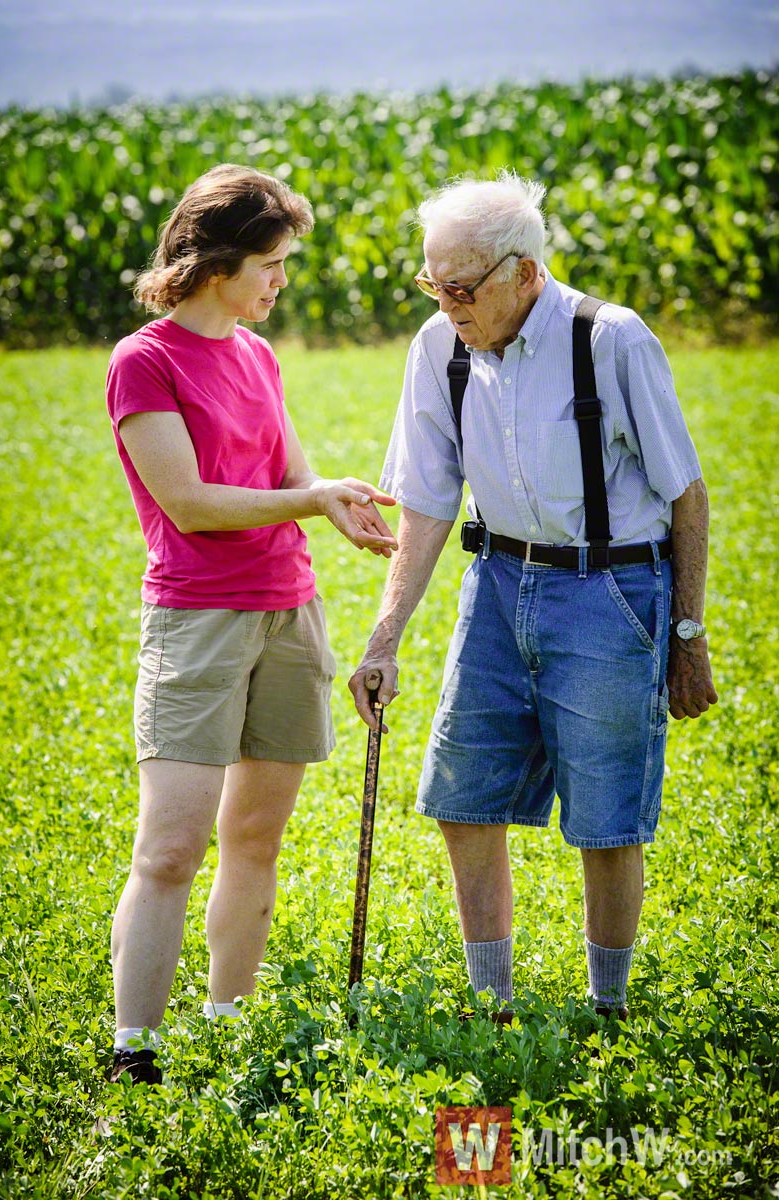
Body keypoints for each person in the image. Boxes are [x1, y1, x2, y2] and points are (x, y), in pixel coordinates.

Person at [349, 170, 717, 1022]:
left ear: (526, 273)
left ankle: (608, 1012)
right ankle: (494, 1005)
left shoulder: (611, 339)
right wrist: (384, 637)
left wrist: (688, 632)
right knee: (461, 798)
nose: (447, 306)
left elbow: (686, 493)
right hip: (497, 583)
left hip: (612, 589)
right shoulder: (437, 347)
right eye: (431, 285)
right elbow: (431, 498)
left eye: (462, 288)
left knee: (606, 817)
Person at [105, 163, 397, 1084]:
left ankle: (227, 1024)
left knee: (256, 839)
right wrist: (309, 497)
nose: (279, 281)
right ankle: (135, 1051)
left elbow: (287, 481)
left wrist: (334, 502)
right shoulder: (144, 360)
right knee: (170, 846)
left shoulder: (258, 356)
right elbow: (188, 502)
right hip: (197, 622)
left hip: (287, 613)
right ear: (218, 260)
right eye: (270, 263)